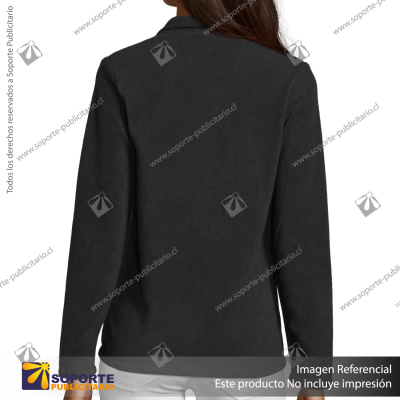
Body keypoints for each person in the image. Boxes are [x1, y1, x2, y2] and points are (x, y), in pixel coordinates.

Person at [60, 0, 332, 399]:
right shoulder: (288, 77)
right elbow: (302, 236)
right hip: (245, 353)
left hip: (137, 352)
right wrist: (315, 374)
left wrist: (75, 368)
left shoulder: (123, 70)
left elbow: (98, 231)